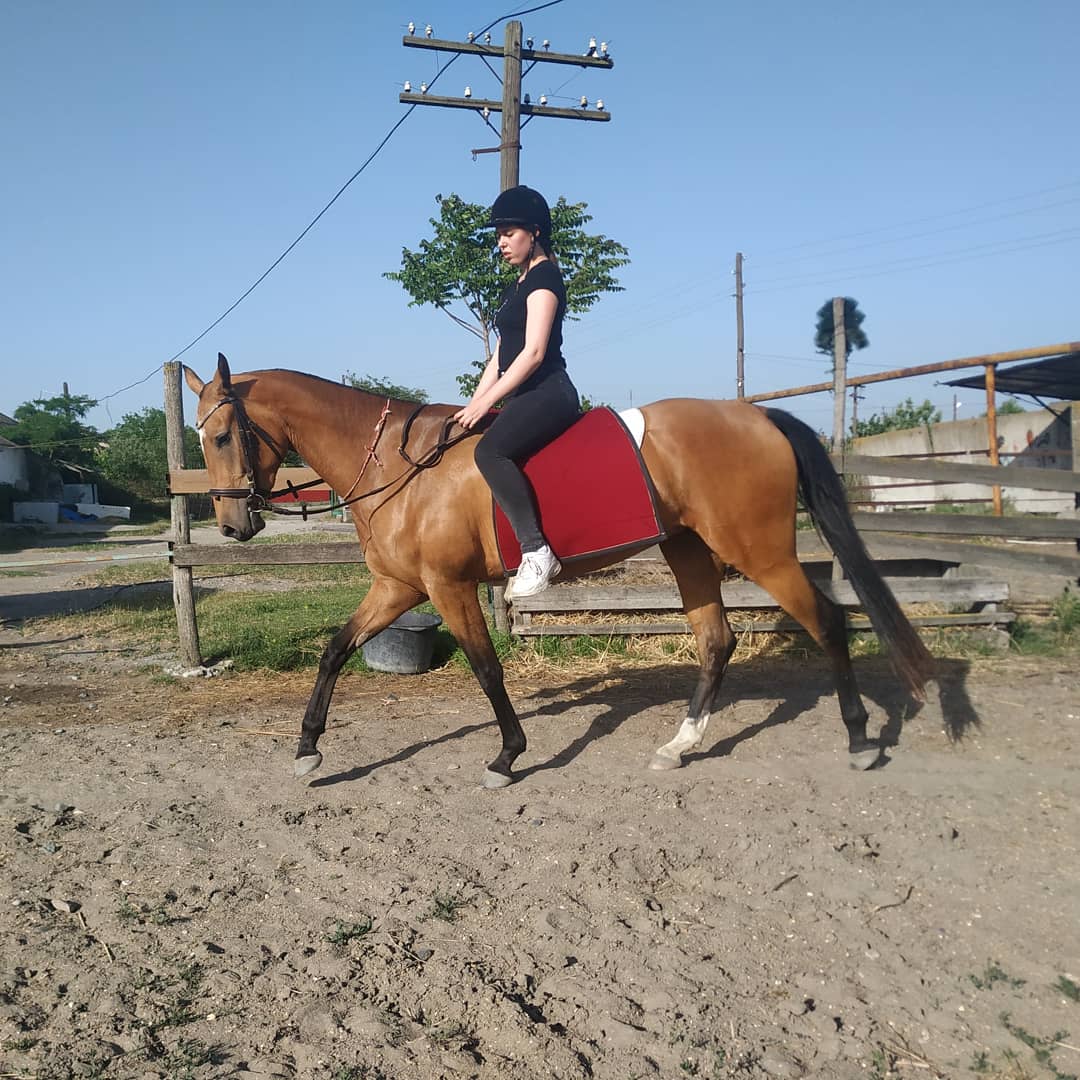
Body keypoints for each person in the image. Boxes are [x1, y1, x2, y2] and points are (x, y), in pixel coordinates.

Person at [453, 185, 581, 597]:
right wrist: (474, 404)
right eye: (499, 236)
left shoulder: (544, 278)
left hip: (549, 391)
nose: (502, 243)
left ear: (535, 232)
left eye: (509, 233)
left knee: (489, 452)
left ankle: (537, 551)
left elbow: (533, 353)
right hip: (522, 393)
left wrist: (488, 402)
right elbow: (499, 358)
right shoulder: (515, 287)